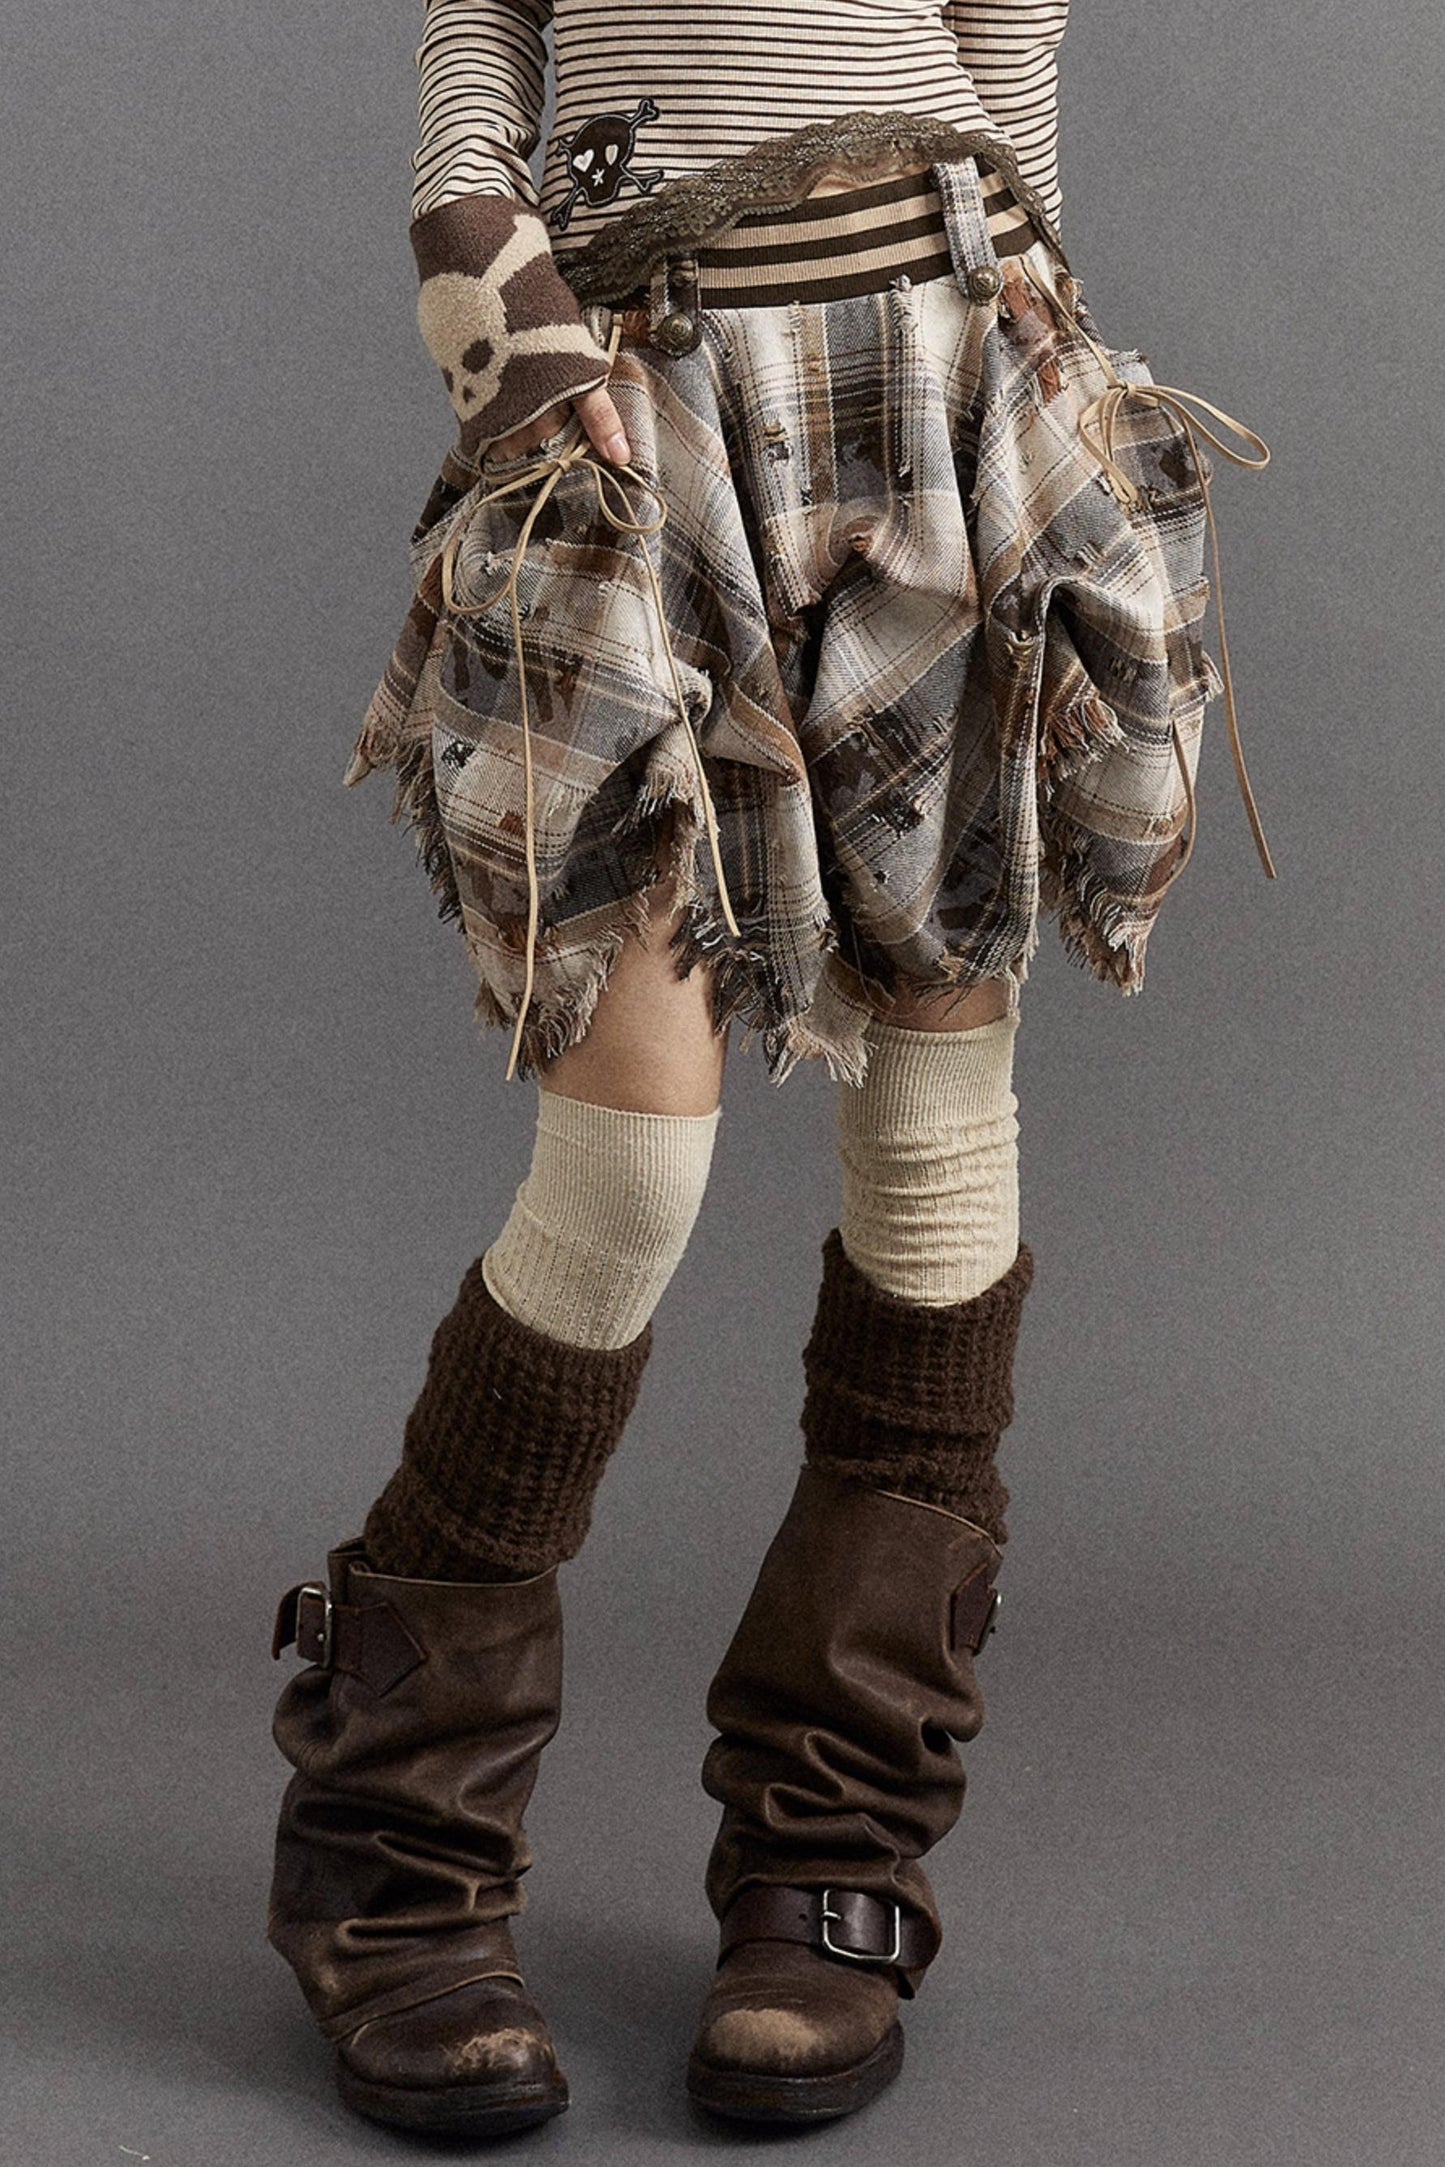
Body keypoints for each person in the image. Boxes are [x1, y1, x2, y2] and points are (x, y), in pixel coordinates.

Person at [265, 0, 1275, 2138]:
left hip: (945, 361)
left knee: (937, 1134)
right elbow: (475, 39)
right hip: (637, 391)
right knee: (626, 1171)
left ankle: (837, 1834)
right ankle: (389, 1845)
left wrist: (1045, 329)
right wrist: (503, 319)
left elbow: (1005, 29)